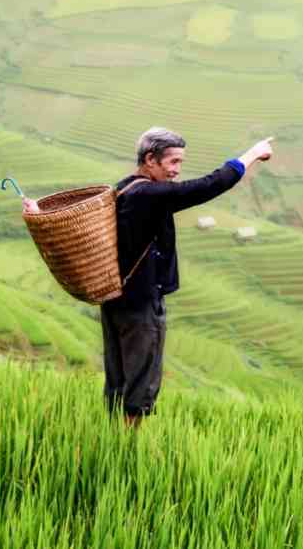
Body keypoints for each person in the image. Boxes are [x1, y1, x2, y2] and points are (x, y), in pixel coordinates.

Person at [92, 127, 272, 427]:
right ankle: (124, 450)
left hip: (116, 298)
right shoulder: (148, 194)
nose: (177, 171)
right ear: (150, 159)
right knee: (141, 383)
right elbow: (208, 186)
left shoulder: (126, 188)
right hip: (140, 304)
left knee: (119, 378)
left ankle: (112, 438)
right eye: (173, 162)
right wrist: (252, 155)